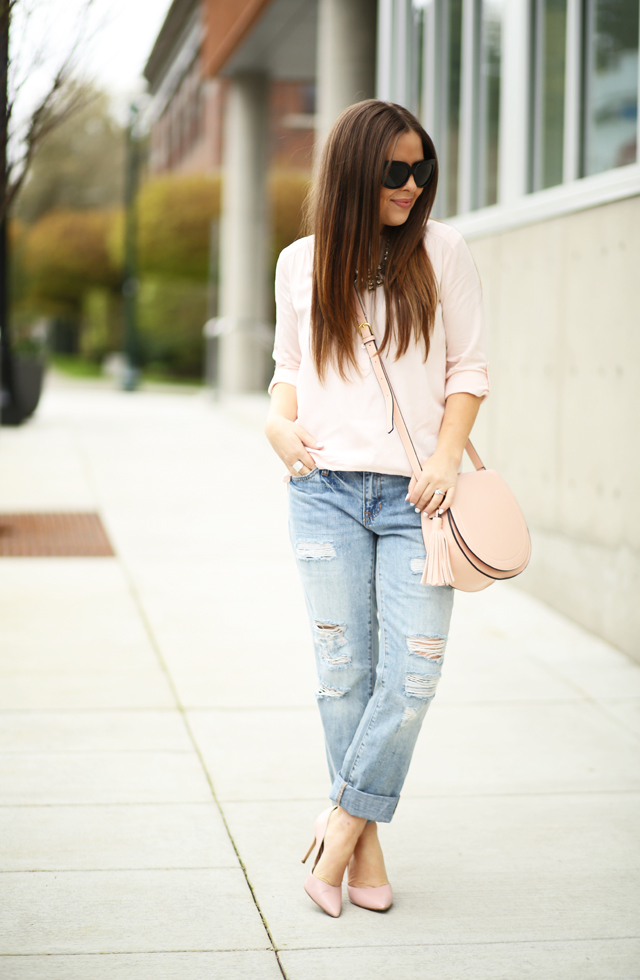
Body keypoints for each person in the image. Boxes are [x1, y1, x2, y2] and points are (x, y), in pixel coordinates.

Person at [264, 100, 489, 917]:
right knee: (342, 677)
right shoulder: (301, 262)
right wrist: (274, 421)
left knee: (415, 674)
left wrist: (440, 460)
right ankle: (367, 847)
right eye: (395, 170)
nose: (411, 183)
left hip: (415, 499)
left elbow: (468, 371)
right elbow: (290, 364)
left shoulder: (443, 251)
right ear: (356, 172)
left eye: (421, 168)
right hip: (320, 491)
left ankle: (340, 821)